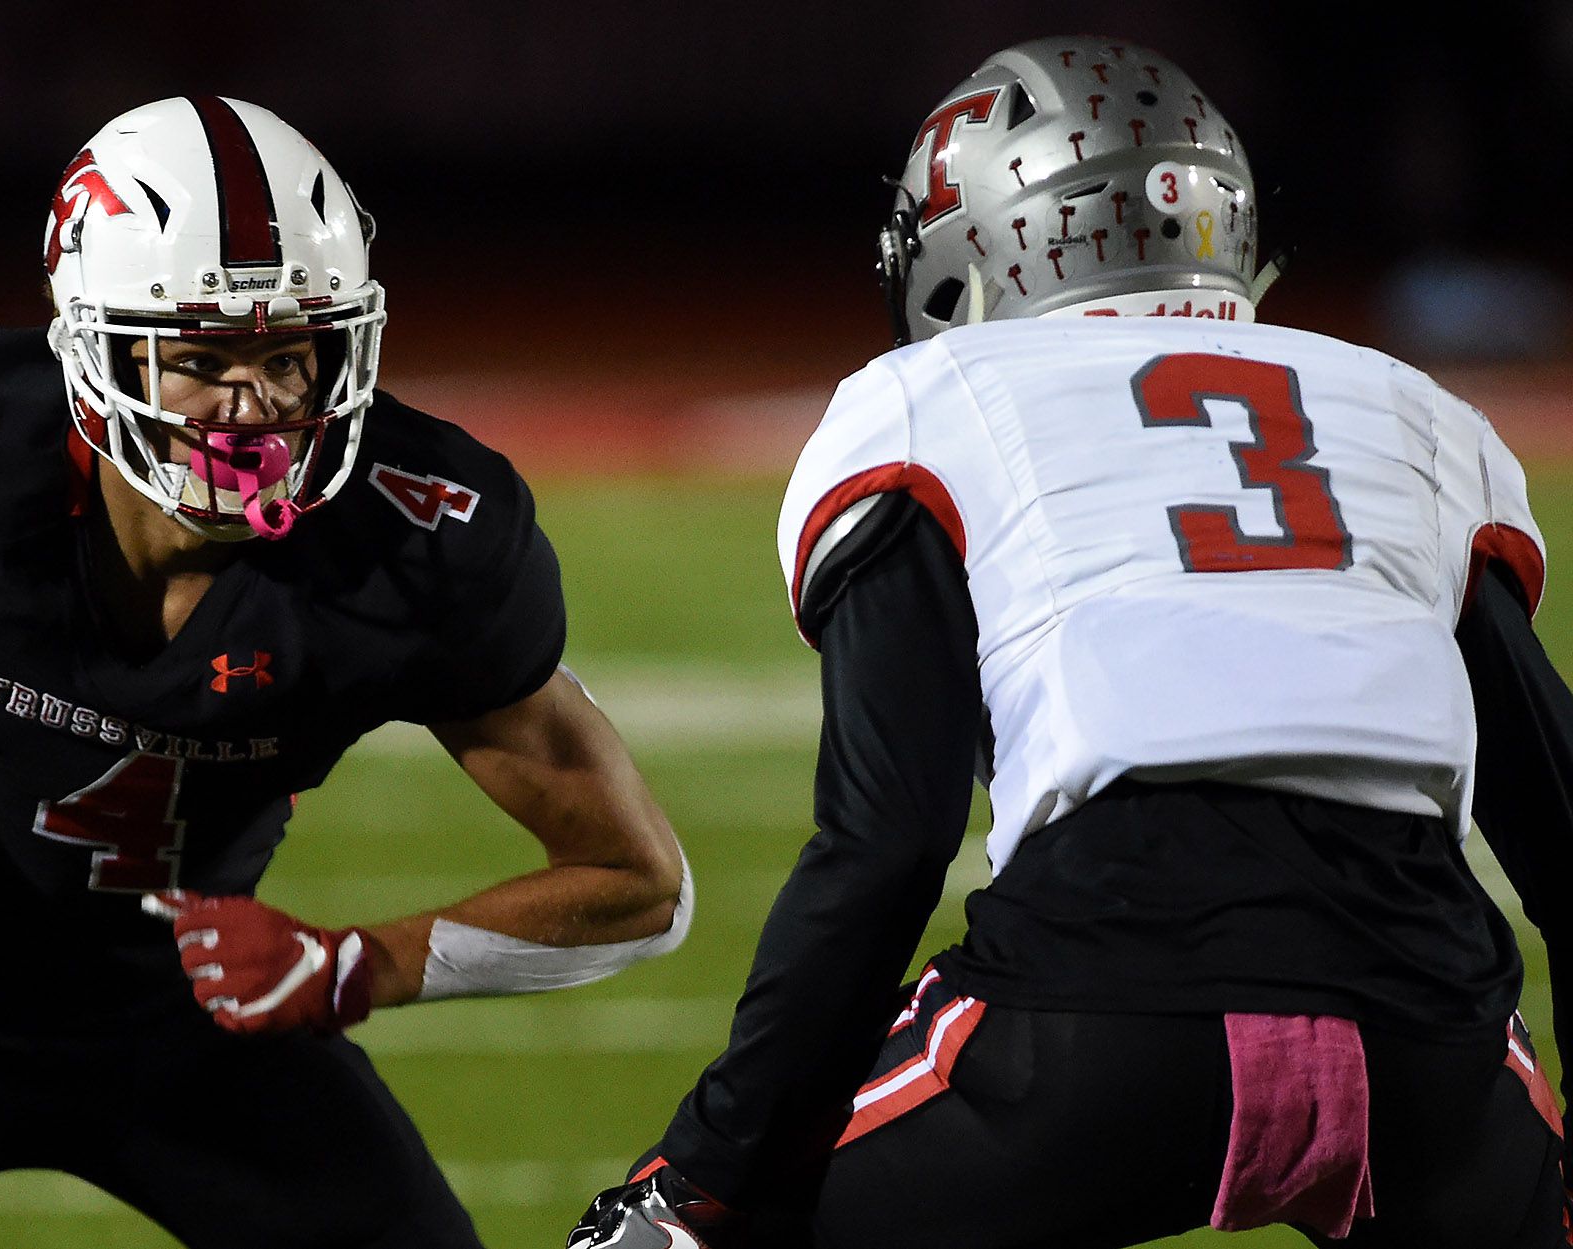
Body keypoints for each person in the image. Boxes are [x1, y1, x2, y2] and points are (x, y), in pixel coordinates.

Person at [0, 96, 690, 1249]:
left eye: (290, 353)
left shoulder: (423, 535)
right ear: (89, 347)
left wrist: (358, 964)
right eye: (203, 359)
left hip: (189, 1006)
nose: (257, 407)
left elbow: (639, 882)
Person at [569, 35, 1571, 1249]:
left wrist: (701, 1179)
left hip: (1105, 1008)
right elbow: (1559, 837)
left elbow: (886, 845)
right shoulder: (1414, 410)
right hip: (1426, 1040)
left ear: (974, 245)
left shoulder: (927, 400)